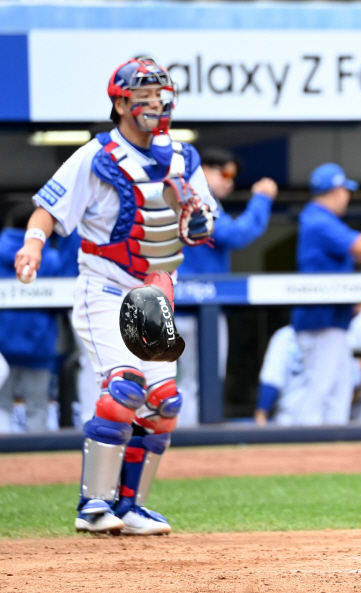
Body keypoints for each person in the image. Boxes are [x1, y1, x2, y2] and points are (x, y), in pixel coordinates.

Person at [14, 57, 217, 535]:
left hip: (154, 294)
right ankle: (93, 505)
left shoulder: (183, 158)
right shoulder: (97, 154)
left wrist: (193, 213)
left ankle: (131, 507)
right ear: (121, 103)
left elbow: (203, 225)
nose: (154, 105)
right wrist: (33, 244)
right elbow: (48, 208)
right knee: (123, 388)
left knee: (164, 401)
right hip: (104, 288)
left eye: (160, 96)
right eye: (142, 97)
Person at [176, 148, 278, 426]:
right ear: (203, 170)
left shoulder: (179, 196)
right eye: (224, 173)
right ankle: (190, 445)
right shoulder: (195, 198)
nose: (229, 182)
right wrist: (261, 200)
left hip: (179, 307)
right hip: (193, 311)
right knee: (198, 384)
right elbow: (237, 235)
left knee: (185, 384)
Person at [291, 163, 361, 425]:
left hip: (332, 322)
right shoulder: (317, 219)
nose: (346, 196)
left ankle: (331, 454)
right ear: (337, 191)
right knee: (320, 390)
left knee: (338, 391)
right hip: (319, 322)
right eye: (344, 191)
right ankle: (304, 454)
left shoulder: (320, 219)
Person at [0, 201, 61, 432]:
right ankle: (41, 464)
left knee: (1, 405)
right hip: (39, 344)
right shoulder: (51, 257)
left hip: (2, 344)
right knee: (37, 406)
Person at [254, 324, 306, 426]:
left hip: (330, 421)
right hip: (289, 422)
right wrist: (261, 418)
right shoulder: (286, 336)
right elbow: (272, 381)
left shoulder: (342, 334)